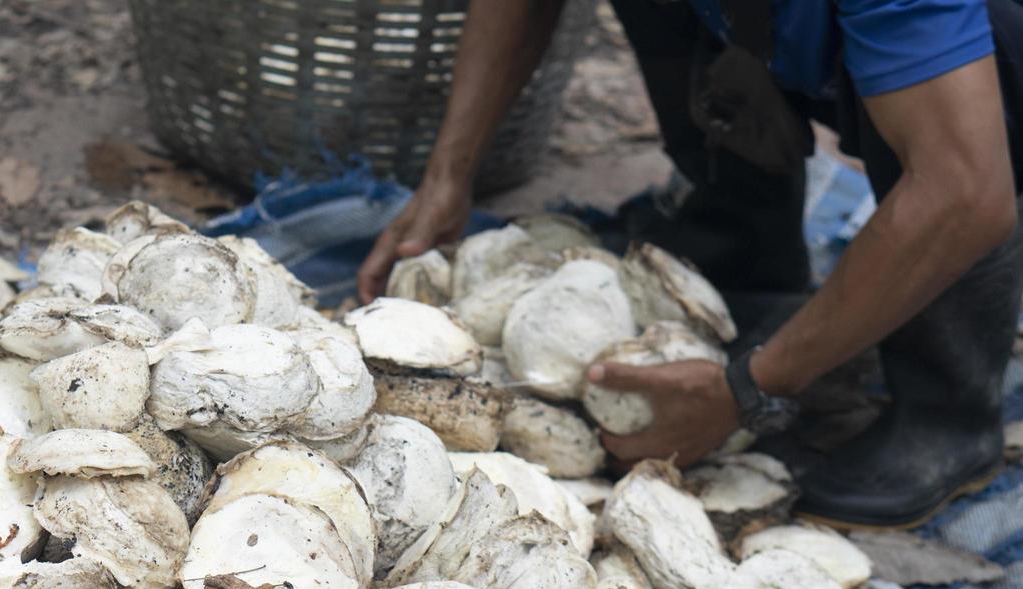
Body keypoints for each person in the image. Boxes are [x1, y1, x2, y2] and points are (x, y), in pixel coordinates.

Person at [357, 0, 1023, 528]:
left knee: (964, 100)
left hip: (973, 73)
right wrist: (450, 173)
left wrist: (748, 391)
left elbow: (964, 191)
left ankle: (948, 414)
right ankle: (741, 245)